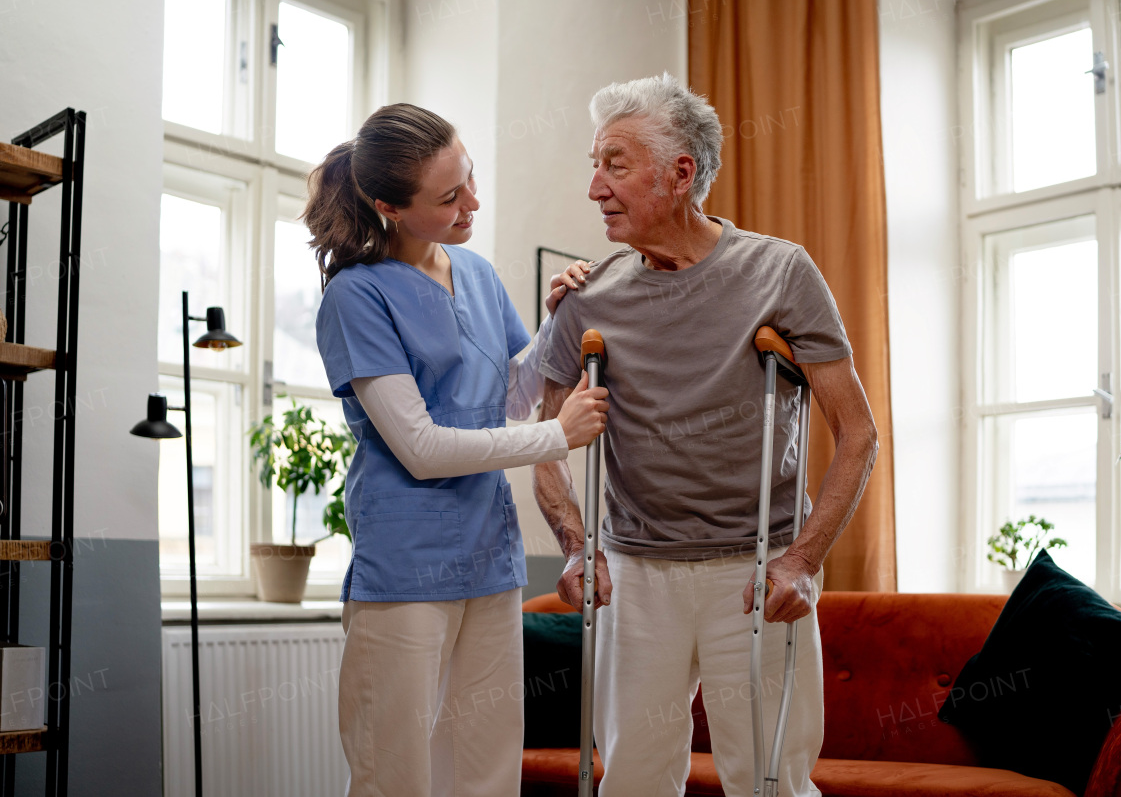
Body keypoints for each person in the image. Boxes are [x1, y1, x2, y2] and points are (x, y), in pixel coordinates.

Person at [533, 74, 879, 797]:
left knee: (772, 781)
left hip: (753, 573)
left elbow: (857, 433)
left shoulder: (780, 271)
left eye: (615, 164)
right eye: (593, 165)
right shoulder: (587, 295)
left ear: (681, 172)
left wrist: (803, 562)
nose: (594, 186)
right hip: (635, 577)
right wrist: (575, 546)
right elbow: (546, 447)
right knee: (631, 780)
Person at [307, 103, 609, 797]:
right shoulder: (356, 297)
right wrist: (556, 437)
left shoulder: (473, 272)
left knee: (488, 764)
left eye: (468, 179)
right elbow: (419, 446)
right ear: (388, 205)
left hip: (489, 559)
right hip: (406, 570)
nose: (473, 202)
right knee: (398, 773)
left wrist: (553, 322)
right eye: (449, 198)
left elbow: (506, 394)